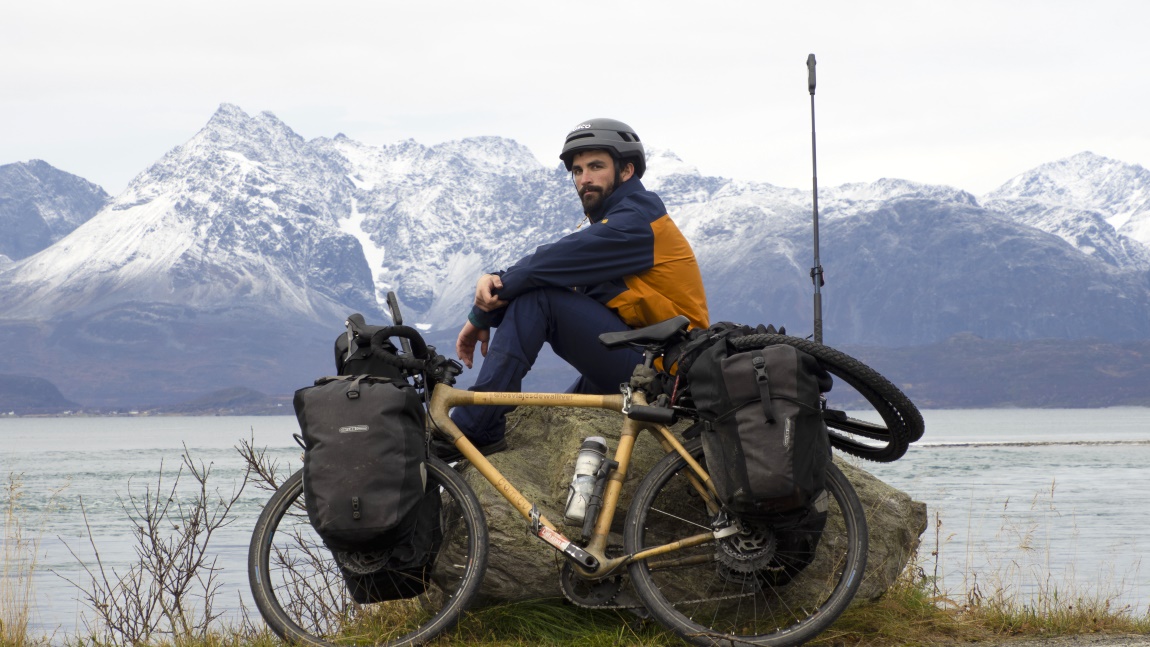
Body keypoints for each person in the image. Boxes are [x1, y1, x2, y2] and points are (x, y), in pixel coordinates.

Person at [441, 118, 709, 459]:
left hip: (665, 372)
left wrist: (481, 313)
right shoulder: (620, 221)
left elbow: (547, 266)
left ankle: (475, 426)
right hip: (638, 351)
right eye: (578, 171)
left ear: (627, 171)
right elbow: (552, 269)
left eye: (596, 166)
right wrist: (489, 291)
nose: (585, 179)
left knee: (542, 299)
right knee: (555, 419)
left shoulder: (638, 223)